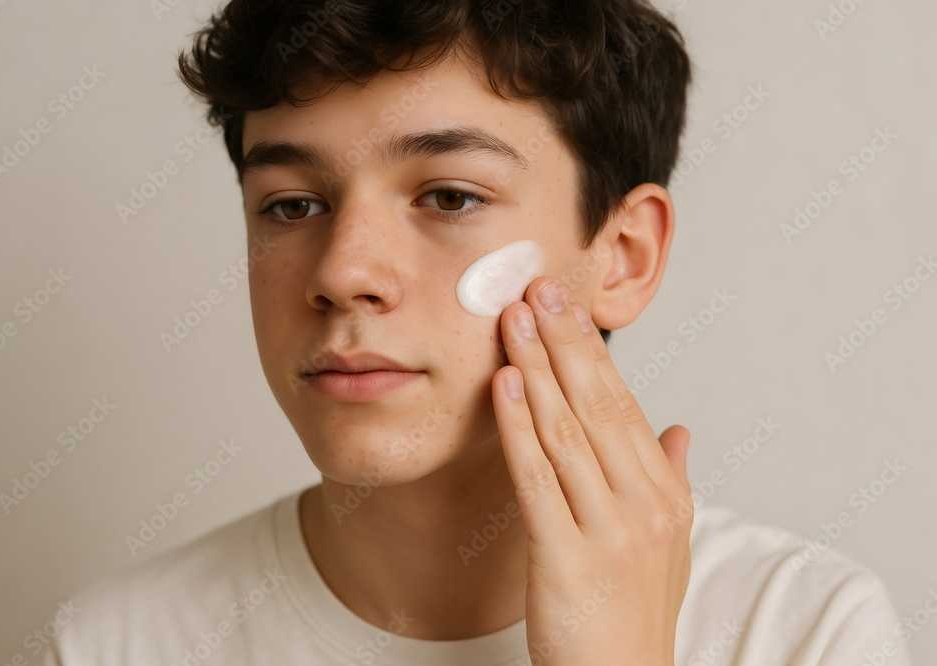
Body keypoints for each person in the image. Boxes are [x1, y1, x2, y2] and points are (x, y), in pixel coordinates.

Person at [44, 1, 909, 664]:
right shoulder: (112, 647)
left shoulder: (803, 632)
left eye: (450, 196)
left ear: (623, 258)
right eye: (293, 206)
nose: (342, 272)